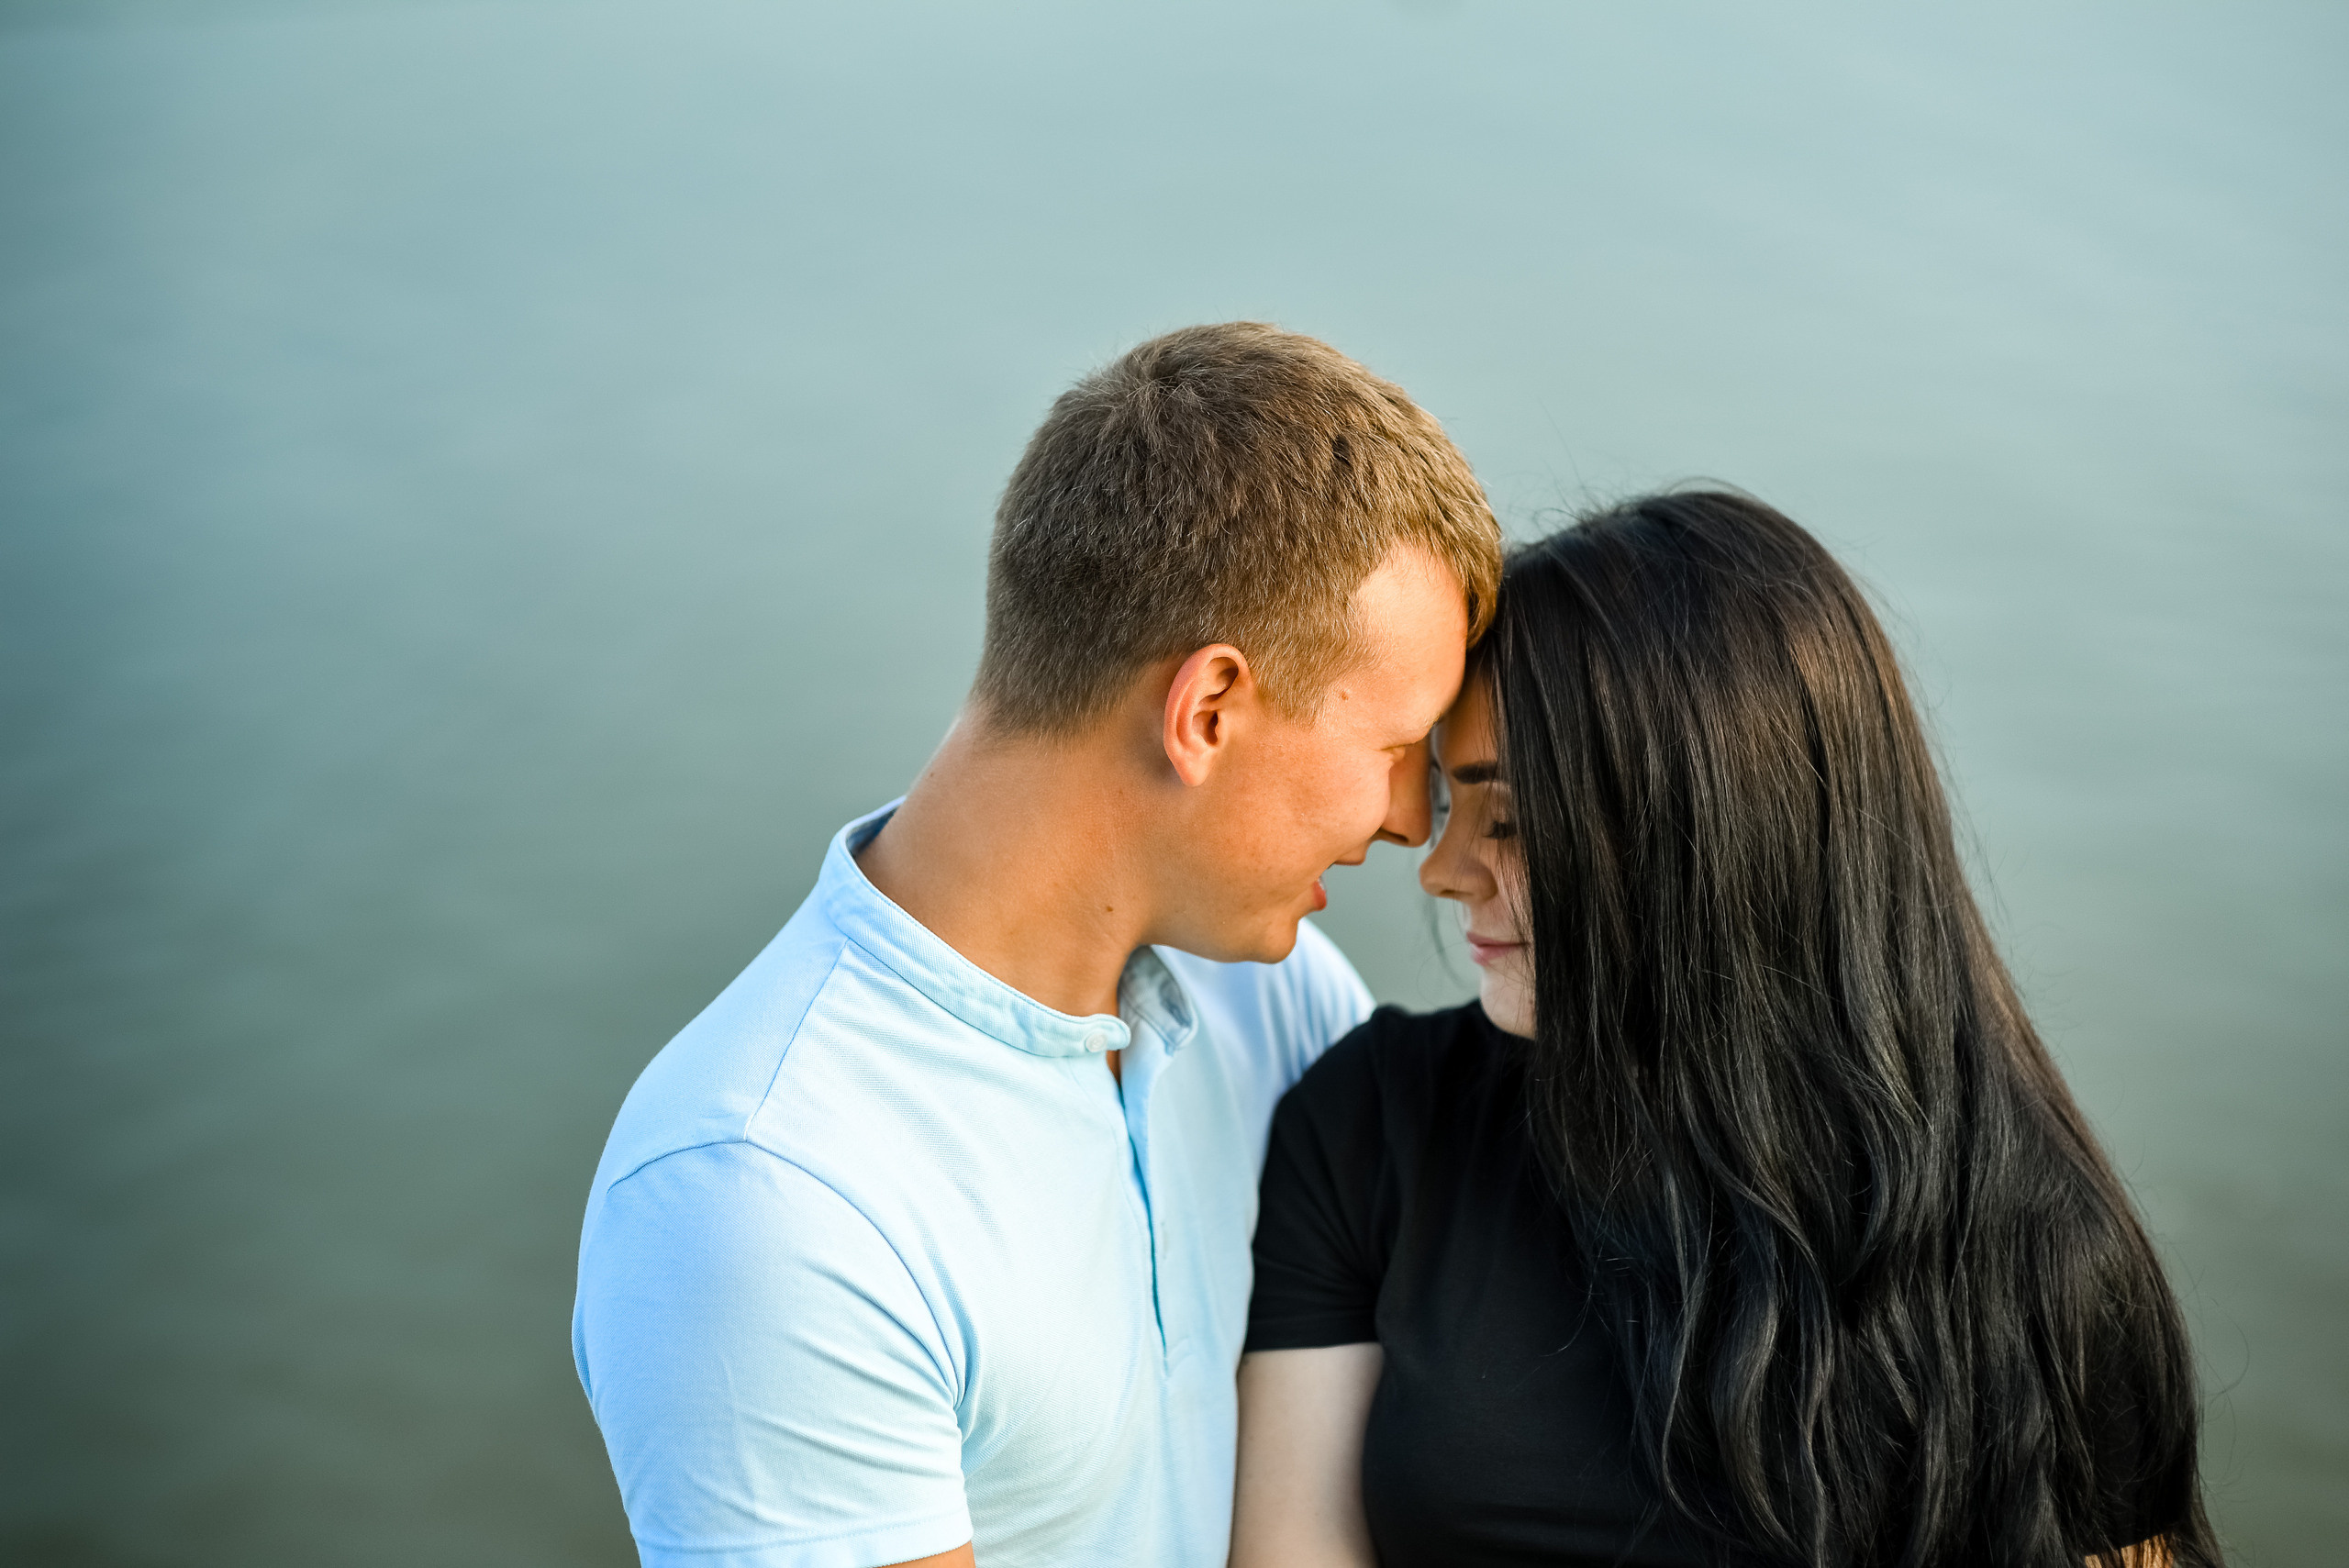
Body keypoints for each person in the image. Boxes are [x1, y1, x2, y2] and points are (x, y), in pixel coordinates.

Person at [571, 322, 1503, 1568]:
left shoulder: (1271, 1002)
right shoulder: (766, 1194)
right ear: (1208, 710)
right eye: (1394, 753)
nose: (1405, 821)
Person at [1232, 491, 2221, 1568]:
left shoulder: (2038, 1259)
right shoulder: (1371, 1125)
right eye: (1446, 798)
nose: (1440, 868)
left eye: (1509, 819)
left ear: (1704, 837)